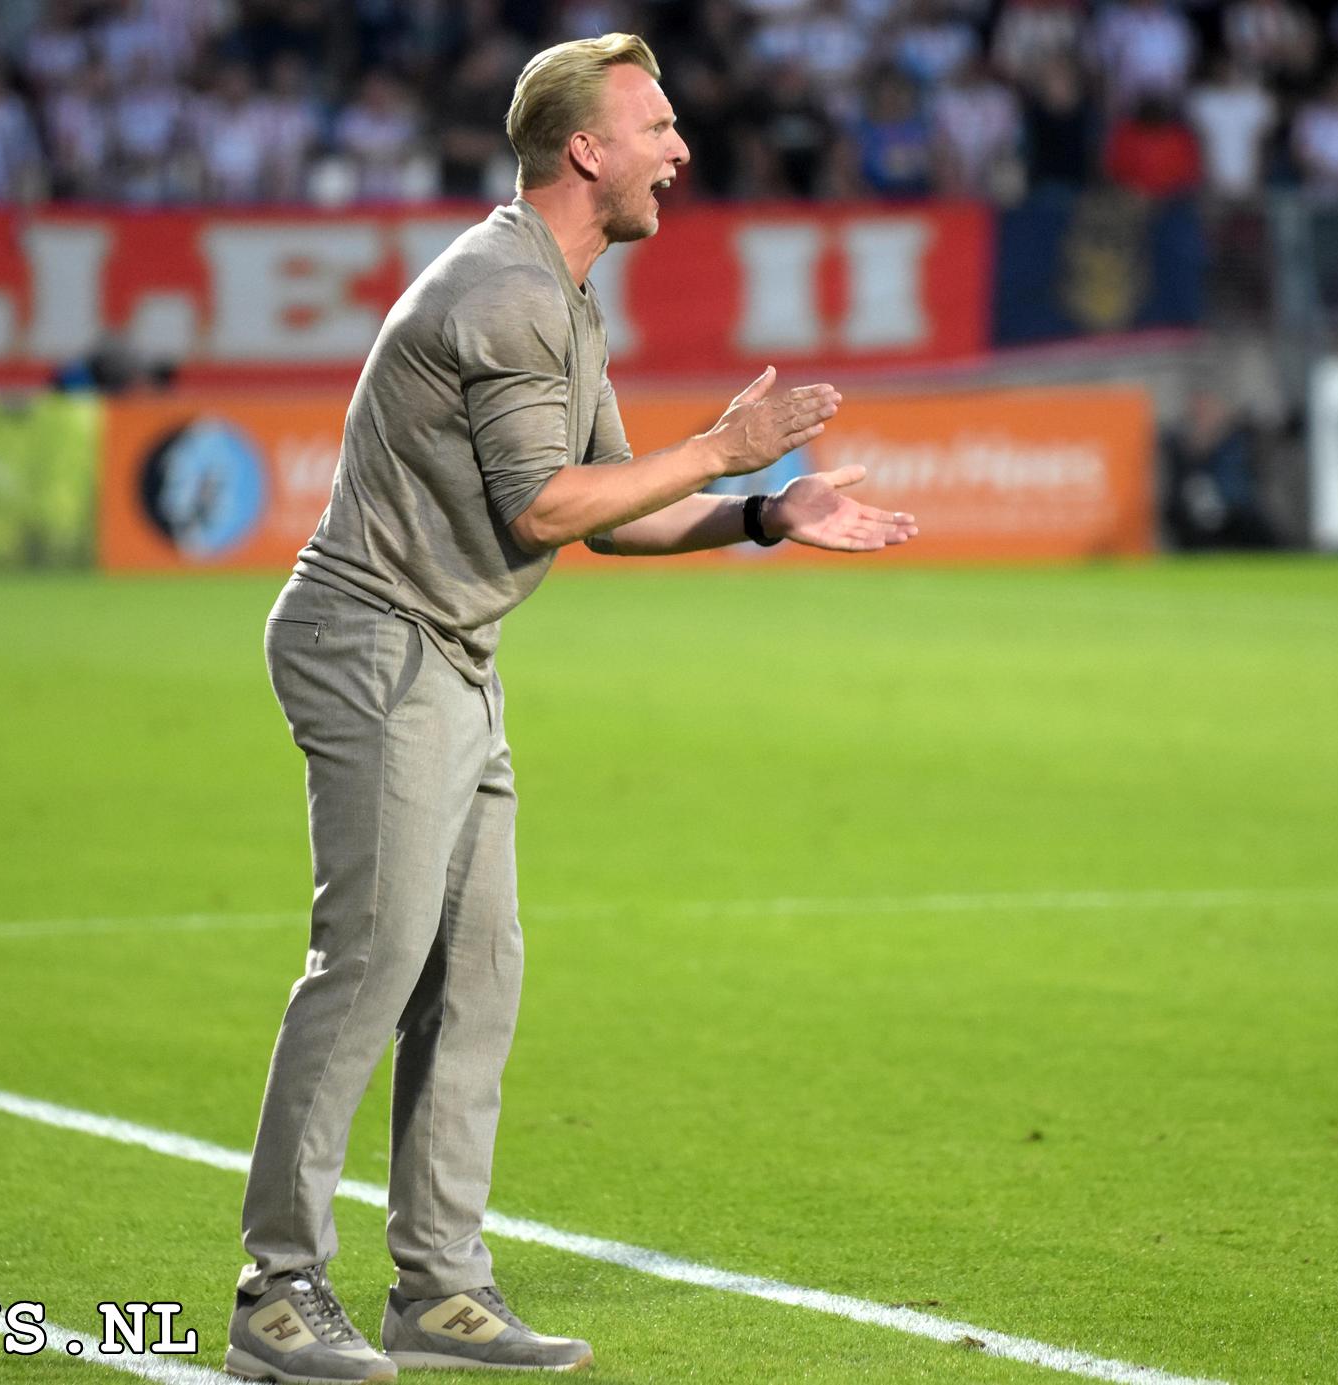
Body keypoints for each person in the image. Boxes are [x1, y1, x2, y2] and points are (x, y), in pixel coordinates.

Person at [227, 31, 915, 1385]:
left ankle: (438, 1286)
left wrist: (765, 511)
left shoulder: (561, 293)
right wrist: (723, 445)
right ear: (586, 148)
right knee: (369, 960)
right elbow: (545, 507)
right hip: (376, 638)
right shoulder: (504, 292)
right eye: (657, 126)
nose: (681, 148)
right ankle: (278, 1289)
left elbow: (613, 514)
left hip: (449, 650)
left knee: (477, 973)